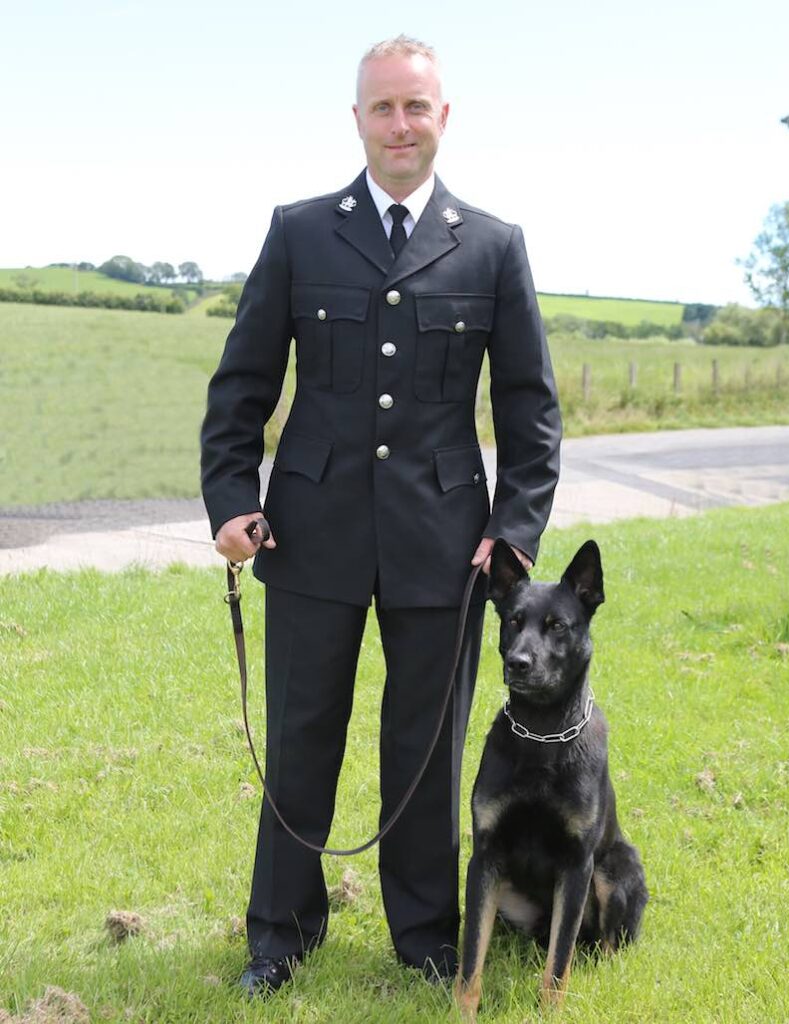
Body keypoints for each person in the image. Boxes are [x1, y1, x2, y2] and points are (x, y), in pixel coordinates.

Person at [200, 35, 561, 997]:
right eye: (381, 108)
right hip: (308, 530)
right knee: (302, 735)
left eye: (415, 107)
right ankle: (279, 935)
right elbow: (241, 386)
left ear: (443, 118)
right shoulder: (299, 231)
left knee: (424, 747)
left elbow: (531, 412)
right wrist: (233, 500)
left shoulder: (491, 245)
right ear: (356, 119)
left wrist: (515, 530)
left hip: (446, 543)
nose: (398, 125)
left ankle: (425, 931)